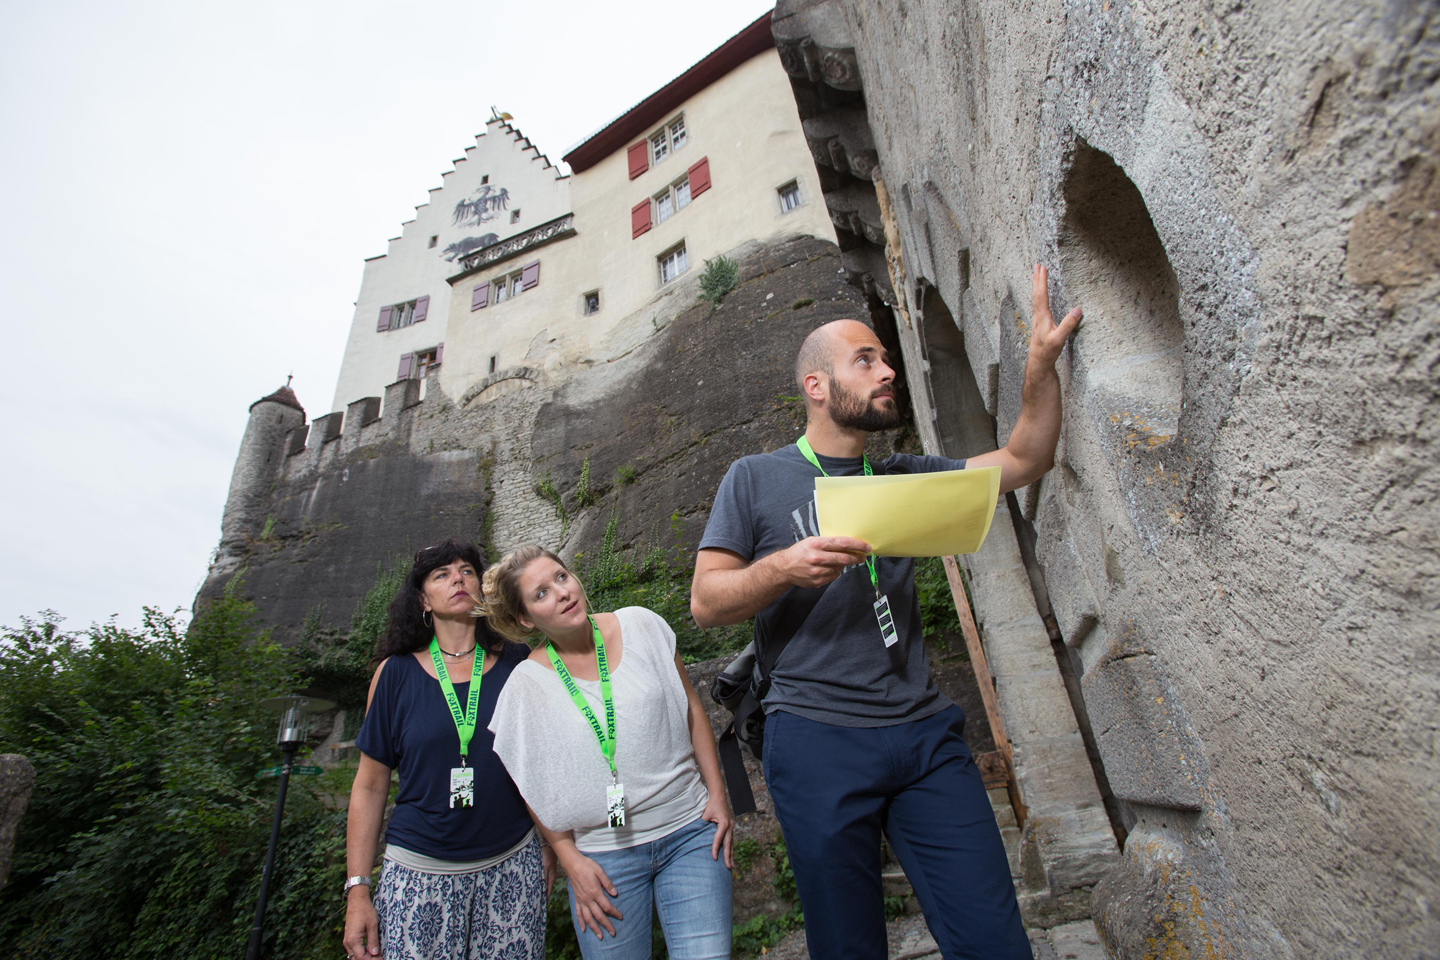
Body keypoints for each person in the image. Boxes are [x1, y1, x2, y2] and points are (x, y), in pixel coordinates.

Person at [689, 266, 1082, 959]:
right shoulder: (754, 477)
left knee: (996, 941)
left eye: (886, 358)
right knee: (849, 948)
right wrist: (784, 567)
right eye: (865, 359)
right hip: (815, 737)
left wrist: (1040, 366)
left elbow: (1027, 457)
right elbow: (705, 601)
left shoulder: (904, 477)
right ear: (816, 386)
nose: (887, 370)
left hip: (926, 735)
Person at [483, 545, 734, 960]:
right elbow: (531, 781)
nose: (562, 592)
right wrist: (568, 858)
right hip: (601, 860)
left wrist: (719, 796)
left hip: (690, 834)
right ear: (526, 618)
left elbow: (691, 707)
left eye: (561, 577)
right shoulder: (524, 686)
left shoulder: (641, 625)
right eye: (541, 593)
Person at [343, 539, 551, 960]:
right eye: (442, 574)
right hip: (419, 871)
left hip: (512, 864)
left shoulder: (519, 662)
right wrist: (357, 891)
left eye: (467, 571)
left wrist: (550, 846)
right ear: (423, 599)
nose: (457, 578)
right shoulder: (394, 675)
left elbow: (539, 765)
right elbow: (368, 787)